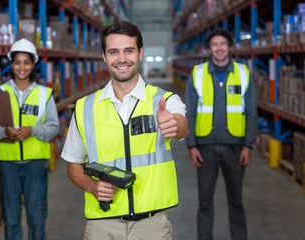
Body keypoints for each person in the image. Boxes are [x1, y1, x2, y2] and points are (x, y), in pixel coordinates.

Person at [61, 20, 188, 240]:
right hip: (103, 225)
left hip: (152, 226)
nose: (121, 59)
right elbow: (73, 163)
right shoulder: (84, 108)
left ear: (140, 53)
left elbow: (181, 127)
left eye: (128, 51)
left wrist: (174, 125)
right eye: (113, 52)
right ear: (104, 56)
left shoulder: (164, 100)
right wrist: (91, 186)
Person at [0, 38, 59, 240]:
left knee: (37, 217)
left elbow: (53, 128)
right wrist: (3, 133)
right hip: (8, 166)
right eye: (17, 62)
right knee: (11, 217)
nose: (22, 67)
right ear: (11, 64)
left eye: (26, 62)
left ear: (33, 65)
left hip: (36, 165)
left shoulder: (44, 94)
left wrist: (32, 130)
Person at [185, 28, 257, 240]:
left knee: (236, 201)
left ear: (230, 47)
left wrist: (248, 145)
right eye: (214, 45)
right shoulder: (197, 74)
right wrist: (191, 146)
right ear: (209, 49)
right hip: (204, 148)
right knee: (204, 202)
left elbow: (251, 111)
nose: (219, 48)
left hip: (235, 148)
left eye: (223, 44)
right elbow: (189, 112)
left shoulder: (243, 73)